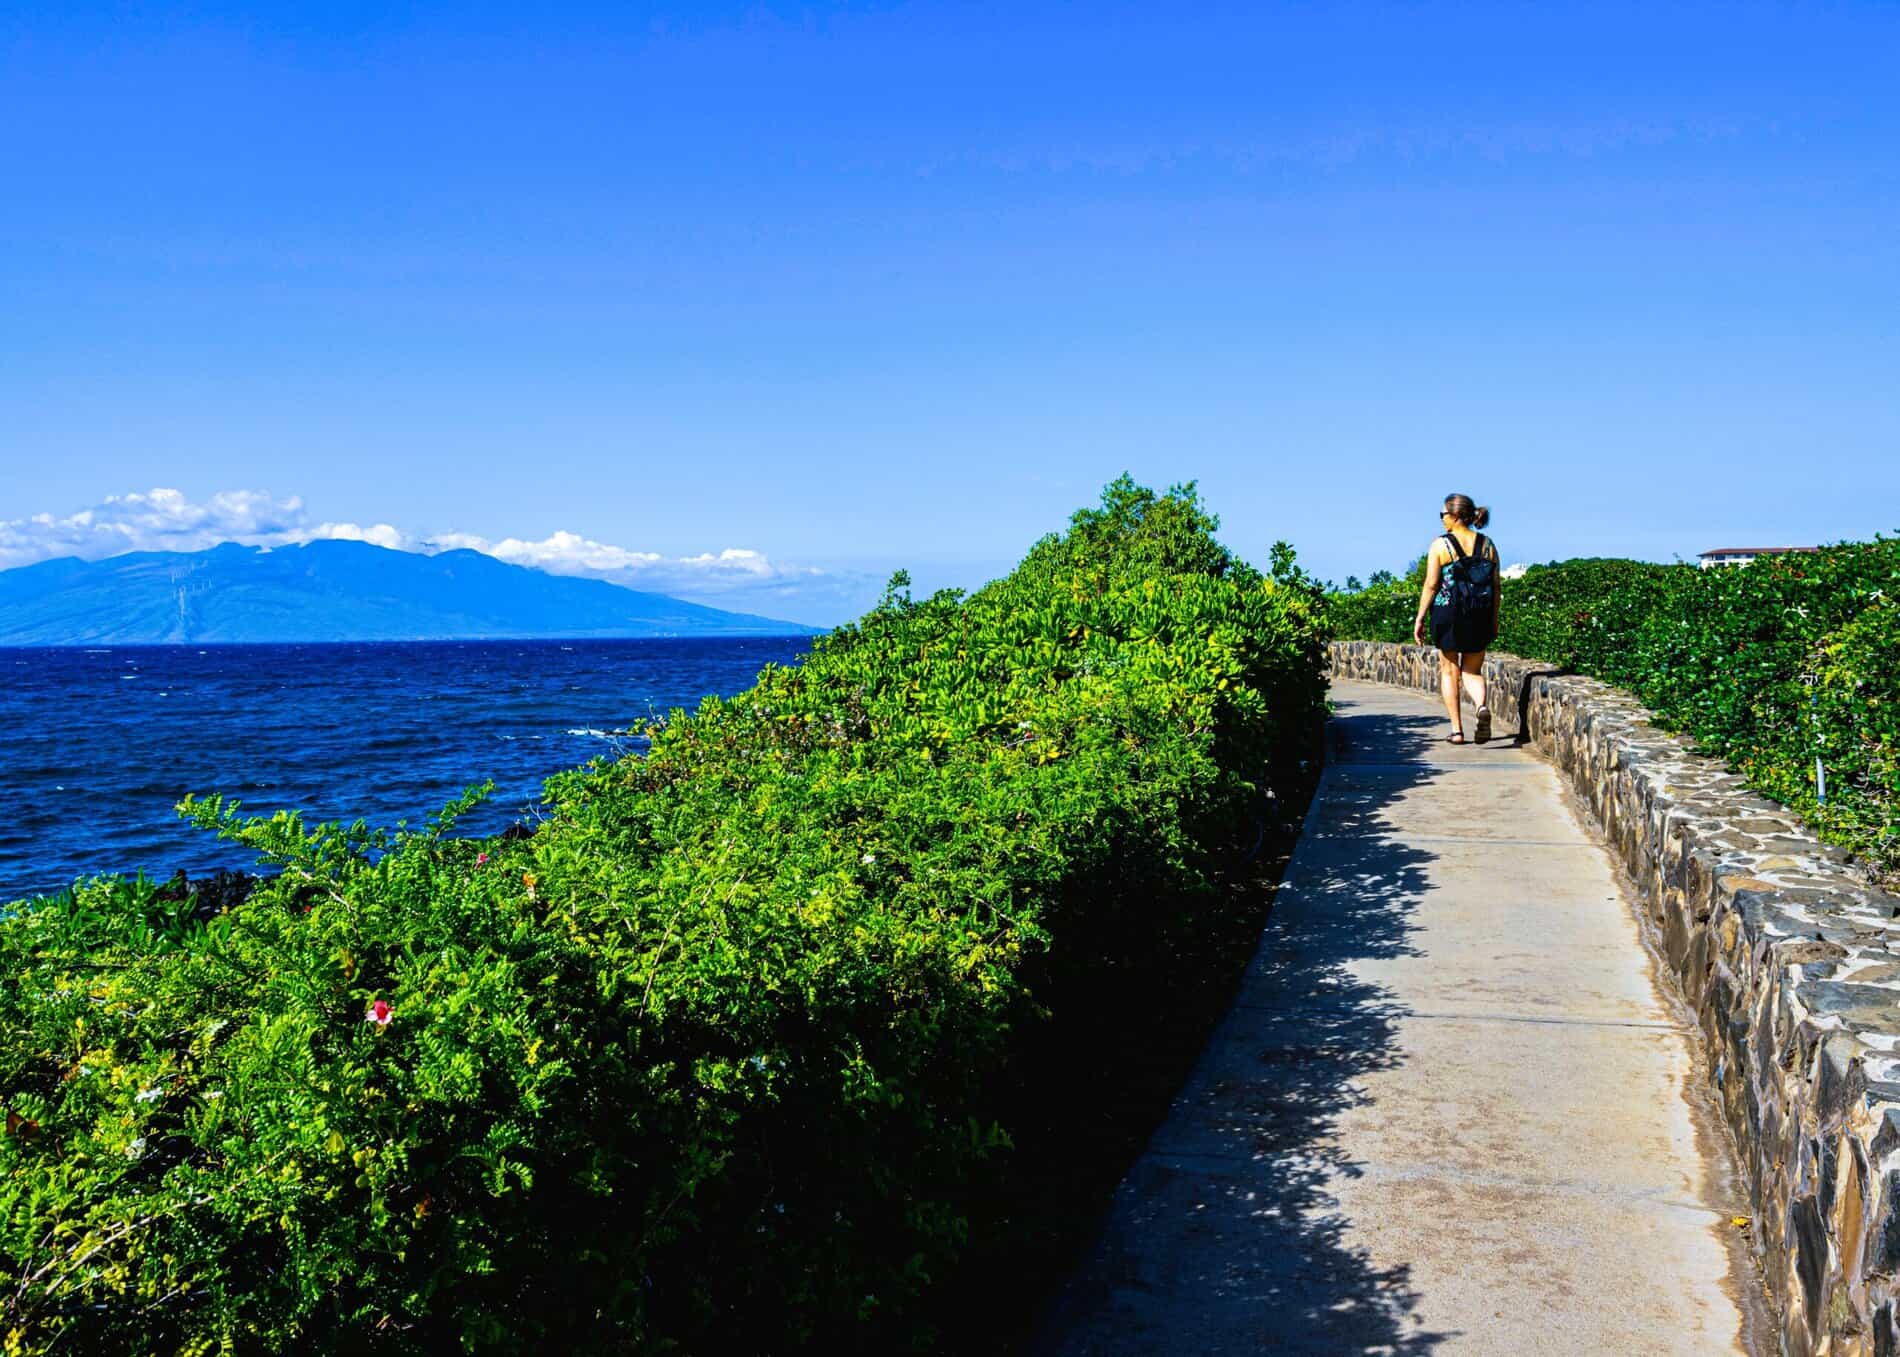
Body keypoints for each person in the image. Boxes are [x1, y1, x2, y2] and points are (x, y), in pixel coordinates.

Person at [1411, 494, 1500, 744]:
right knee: (1472, 670)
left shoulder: (1441, 545)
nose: (1442, 520)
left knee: (1449, 672)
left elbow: (1431, 585)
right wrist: (1494, 619)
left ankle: (1457, 731)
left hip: (1447, 611)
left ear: (1455, 515)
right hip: (1479, 613)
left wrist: (1419, 618)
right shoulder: (1488, 545)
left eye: (1443, 515)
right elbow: (1496, 587)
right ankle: (1481, 706)